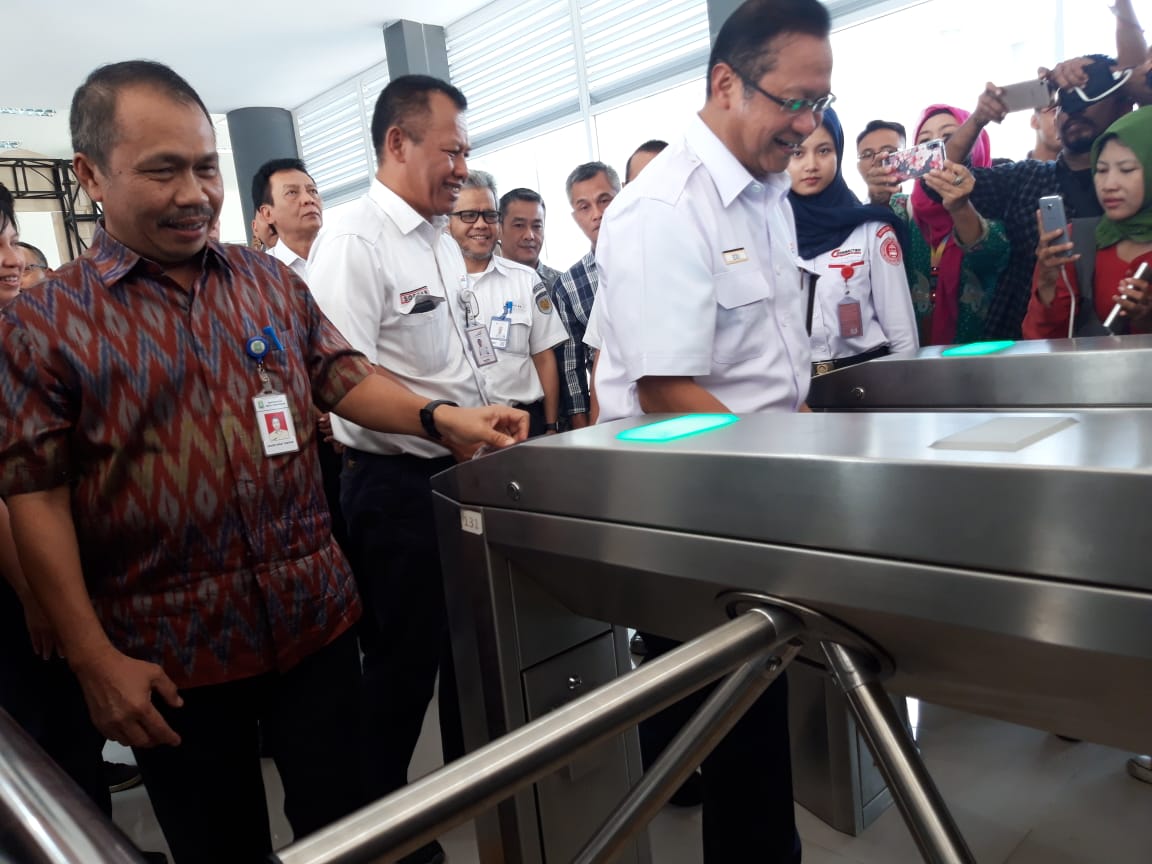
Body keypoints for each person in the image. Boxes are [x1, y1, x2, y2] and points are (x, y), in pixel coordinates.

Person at [0, 60, 526, 864]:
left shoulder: (264, 282)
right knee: (220, 845)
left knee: (354, 832)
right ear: (90, 176)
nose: (193, 193)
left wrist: (439, 417)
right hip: (170, 656)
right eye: (161, 170)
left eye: (205, 167)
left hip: (313, 627)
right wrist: (92, 657)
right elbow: (35, 496)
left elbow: (339, 374)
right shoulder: (45, 322)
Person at [589, 0, 833, 859]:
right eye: (793, 102)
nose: (807, 126)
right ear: (726, 83)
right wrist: (786, 464)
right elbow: (666, 388)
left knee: (763, 745)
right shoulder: (663, 208)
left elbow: (768, 361)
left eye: (820, 105)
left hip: (764, 491)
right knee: (740, 755)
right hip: (700, 512)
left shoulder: (764, 192)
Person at [307, 74, 504, 864]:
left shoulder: (435, 239)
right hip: (395, 492)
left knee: (463, 656)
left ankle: (462, 789)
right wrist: (442, 423)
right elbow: (342, 382)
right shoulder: (356, 243)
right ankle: (385, 832)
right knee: (399, 674)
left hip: (457, 472)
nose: (461, 166)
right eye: (450, 150)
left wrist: (477, 419)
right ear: (397, 142)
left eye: (466, 151)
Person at [940, 55, 1133, 338]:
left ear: (1122, 105)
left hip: (1122, 344)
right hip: (1023, 345)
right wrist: (979, 117)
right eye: (1063, 104)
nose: (1073, 111)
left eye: (1089, 97)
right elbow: (945, 177)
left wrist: (1128, 74)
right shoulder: (1027, 177)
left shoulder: (1138, 185)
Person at [787, 106, 917, 371]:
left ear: (839, 153)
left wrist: (906, 397)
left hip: (871, 384)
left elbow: (902, 333)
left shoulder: (871, 230)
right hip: (797, 390)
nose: (811, 165)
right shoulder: (769, 233)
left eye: (824, 150)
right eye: (797, 152)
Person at [448, 171, 566, 436]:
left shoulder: (525, 279)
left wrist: (550, 426)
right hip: (462, 429)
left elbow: (544, 357)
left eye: (489, 215)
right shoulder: (436, 286)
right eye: (469, 215)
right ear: (448, 223)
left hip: (526, 422)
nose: (481, 224)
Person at [1024, 106, 1152, 338]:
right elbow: (1043, 341)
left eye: (1126, 169)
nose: (1109, 184)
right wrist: (1047, 283)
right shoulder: (1078, 240)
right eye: (1101, 170)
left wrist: (1145, 322)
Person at [894, 105, 1011, 345]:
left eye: (949, 138)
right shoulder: (901, 212)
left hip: (980, 364)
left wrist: (959, 207)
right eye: (926, 143)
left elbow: (989, 254)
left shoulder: (1000, 204)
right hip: (911, 366)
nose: (941, 153)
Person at [552, 161, 620, 429]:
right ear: (575, 216)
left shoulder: (655, 257)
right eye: (584, 206)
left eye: (605, 200)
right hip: (609, 408)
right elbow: (573, 366)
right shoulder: (568, 284)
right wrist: (585, 430)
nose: (598, 213)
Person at [251, 157, 322, 277]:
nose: (308, 199)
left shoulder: (343, 251)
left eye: (313, 191)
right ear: (267, 214)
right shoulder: (261, 273)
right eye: (292, 192)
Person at [497, 187, 561, 289]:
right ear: (498, 229)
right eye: (519, 225)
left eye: (537, 226)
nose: (529, 236)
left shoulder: (562, 286)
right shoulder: (483, 286)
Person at [855, 119, 906, 206]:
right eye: (867, 154)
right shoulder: (850, 215)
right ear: (858, 167)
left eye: (889, 151)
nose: (878, 159)